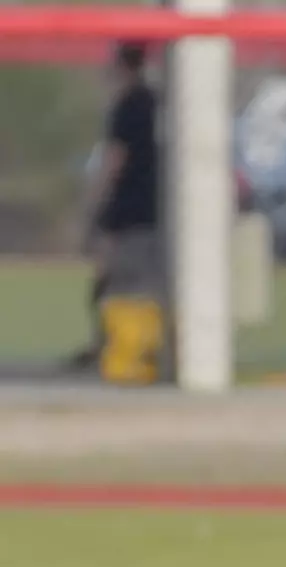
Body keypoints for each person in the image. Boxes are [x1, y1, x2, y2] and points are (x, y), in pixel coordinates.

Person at [76, 42, 162, 369]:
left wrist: (95, 204)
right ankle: (138, 347)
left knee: (118, 283)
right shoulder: (157, 103)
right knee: (145, 281)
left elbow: (114, 159)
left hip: (127, 210)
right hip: (154, 208)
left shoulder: (129, 105)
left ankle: (116, 349)